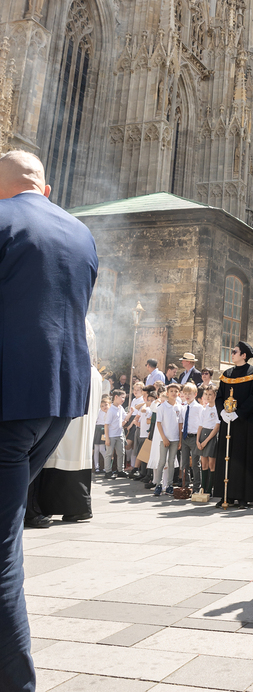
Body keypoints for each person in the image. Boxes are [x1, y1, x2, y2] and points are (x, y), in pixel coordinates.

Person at [0, 150, 98, 692]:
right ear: (46, 187)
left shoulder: (3, 220)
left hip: (8, 401)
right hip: (58, 405)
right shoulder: (80, 233)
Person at [37, 319, 104, 523]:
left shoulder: (75, 368)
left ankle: (50, 505)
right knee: (78, 455)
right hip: (84, 429)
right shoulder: (95, 372)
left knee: (61, 454)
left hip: (70, 424)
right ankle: (79, 507)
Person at [214, 341, 253, 507]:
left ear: (243, 355)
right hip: (227, 421)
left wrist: (238, 414)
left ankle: (243, 496)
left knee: (243, 458)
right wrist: (222, 412)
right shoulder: (227, 374)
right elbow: (219, 396)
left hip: (245, 423)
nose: (232, 354)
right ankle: (226, 495)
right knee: (226, 456)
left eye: (235, 351)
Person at [153, 382, 183, 496]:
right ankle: (158, 484)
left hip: (175, 438)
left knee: (171, 461)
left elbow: (180, 424)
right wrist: (164, 438)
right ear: (167, 393)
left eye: (176, 391)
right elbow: (159, 423)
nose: (173, 393)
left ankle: (169, 485)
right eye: (171, 391)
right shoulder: (162, 407)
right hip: (164, 438)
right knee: (162, 461)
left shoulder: (179, 407)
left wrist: (180, 440)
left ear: (178, 393)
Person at [179, 382, 203, 492]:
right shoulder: (183, 407)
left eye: (190, 393)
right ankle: (185, 485)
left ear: (195, 394)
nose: (187, 396)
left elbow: (201, 424)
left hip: (194, 437)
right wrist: (181, 439)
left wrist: (199, 439)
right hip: (185, 437)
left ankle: (197, 486)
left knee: (195, 463)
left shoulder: (199, 408)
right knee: (184, 463)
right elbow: (182, 424)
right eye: (185, 393)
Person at [197, 387, 220, 494]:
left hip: (211, 436)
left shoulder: (217, 409)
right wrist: (198, 440)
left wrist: (206, 441)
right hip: (203, 435)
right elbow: (200, 425)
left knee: (211, 464)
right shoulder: (204, 409)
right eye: (206, 394)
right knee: (203, 463)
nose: (208, 396)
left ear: (215, 396)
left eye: (210, 394)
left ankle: (210, 488)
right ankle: (203, 487)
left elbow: (217, 426)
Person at [104, 390, 128, 478]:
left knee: (121, 453)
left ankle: (120, 470)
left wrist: (132, 412)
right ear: (116, 397)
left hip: (120, 434)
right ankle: (108, 471)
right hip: (111, 435)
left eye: (124, 398)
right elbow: (106, 425)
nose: (123, 400)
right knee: (109, 454)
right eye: (122, 397)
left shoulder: (120, 408)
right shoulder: (111, 410)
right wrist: (107, 438)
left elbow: (125, 417)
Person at [93, 396, 110, 473]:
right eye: (102, 406)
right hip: (97, 429)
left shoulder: (109, 412)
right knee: (96, 449)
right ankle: (96, 467)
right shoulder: (98, 411)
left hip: (104, 430)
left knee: (102, 449)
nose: (104, 407)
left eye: (106, 405)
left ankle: (107, 466)